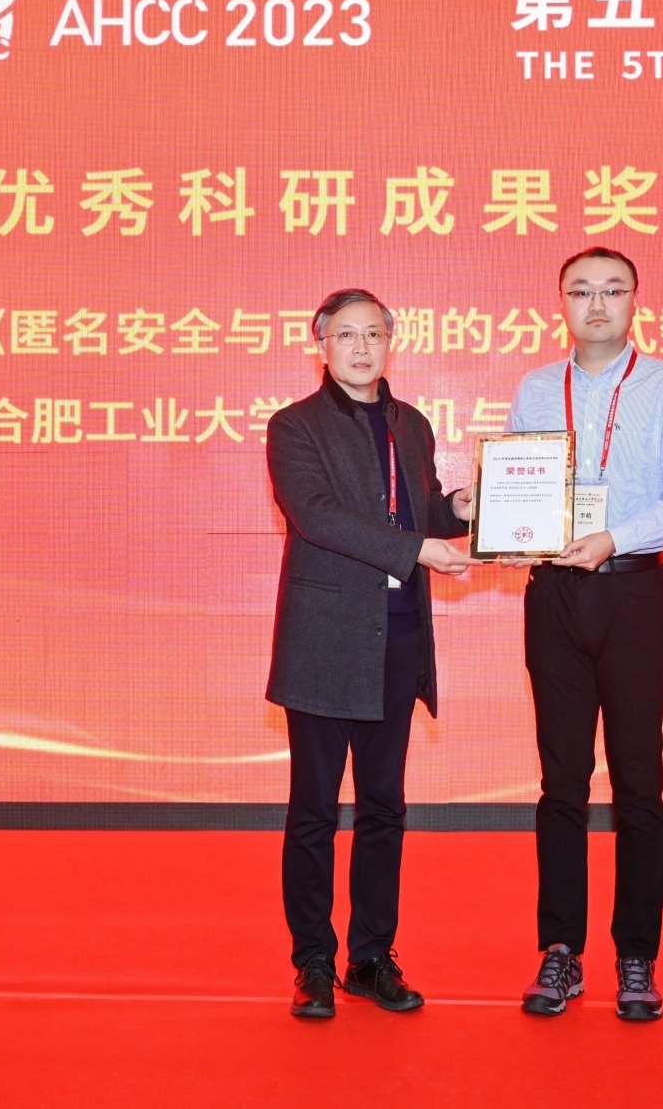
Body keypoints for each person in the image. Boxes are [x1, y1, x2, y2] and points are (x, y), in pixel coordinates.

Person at [504, 247, 663, 1022]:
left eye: (613, 290)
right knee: (561, 782)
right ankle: (560, 951)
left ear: (635, 301)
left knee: (638, 780)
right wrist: (505, 526)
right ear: (560, 302)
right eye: (581, 291)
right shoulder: (536, 387)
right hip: (554, 594)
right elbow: (520, 486)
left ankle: (637, 954)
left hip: (630, 591)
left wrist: (615, 537)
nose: (596, 304)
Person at [265, 288, 476, 1019]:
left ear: (392, 341)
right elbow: (317, 516)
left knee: (384, 806)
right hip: (325, 642)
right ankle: (313, 961)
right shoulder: (295, 425)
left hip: (398, 636)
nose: (361, 348)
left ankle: (371, 956)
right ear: (321, 344)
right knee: (315, 809)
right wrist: (418, 547)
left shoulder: (411, 424)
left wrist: (459, 510)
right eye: (346, 335)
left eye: (374, 334)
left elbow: (417, 509)